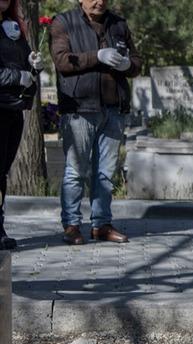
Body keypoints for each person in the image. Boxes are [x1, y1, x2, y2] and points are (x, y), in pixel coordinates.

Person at [50, 0, 142, 245]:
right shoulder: (64, 22)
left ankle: (101, 224)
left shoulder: (118, 24)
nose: (99, 1)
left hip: (113, 109)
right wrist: (97, 56)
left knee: (105, 173)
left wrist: (128, 64)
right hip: (80, 108)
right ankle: (71, 225)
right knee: (75, 170)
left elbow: (136, 61)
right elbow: (61, 60)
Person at [0, 0, 43, 250]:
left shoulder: (12, 27)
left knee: (1, 173)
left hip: (13, 108)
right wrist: (19, 76)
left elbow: (25, 66)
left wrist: (33, 65)